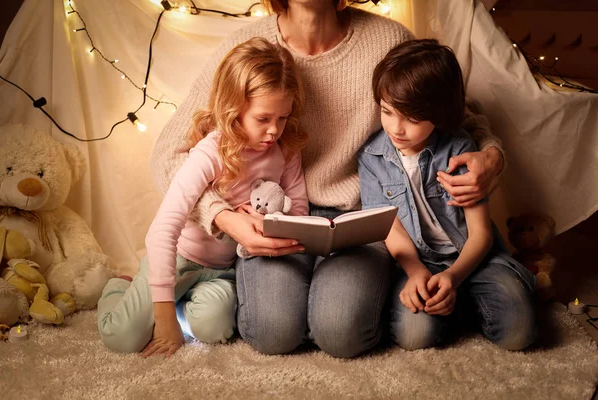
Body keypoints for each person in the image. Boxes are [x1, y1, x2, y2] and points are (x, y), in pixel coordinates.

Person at [151, 0, 506, 358]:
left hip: (359, 218)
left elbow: (454, 111)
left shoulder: (388, 39)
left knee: (342, 333)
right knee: (272, 333)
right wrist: (223, 218)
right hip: (276, 216)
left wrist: (491, 156)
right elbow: (169, 153)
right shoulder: (248, 48)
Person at [97, 37, 309, 357]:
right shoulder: (211, 151)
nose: (274, 131)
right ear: (234, 108)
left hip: (224, 271)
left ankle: (182, 303)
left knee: (215, 329)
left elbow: (300, 208)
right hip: (180, 259)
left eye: (282, 118)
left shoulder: (286, 151)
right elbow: (162, 231)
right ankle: (120, 287)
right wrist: (164, 317)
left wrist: (273, 223)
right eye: (263, 119)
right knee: (121, 338)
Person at [359, 39, 536, 351]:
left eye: (412, 119)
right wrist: (415, 274)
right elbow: (392, 231)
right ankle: (451, 307)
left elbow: (480, 233)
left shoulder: (459, 150)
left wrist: (453, 278)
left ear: (439, 113)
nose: (396, 128)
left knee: (519, 332)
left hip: (475, 257)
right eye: (387, 112)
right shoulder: (372, 158)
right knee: (415, 336)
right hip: (419, 261)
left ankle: (471, 295)